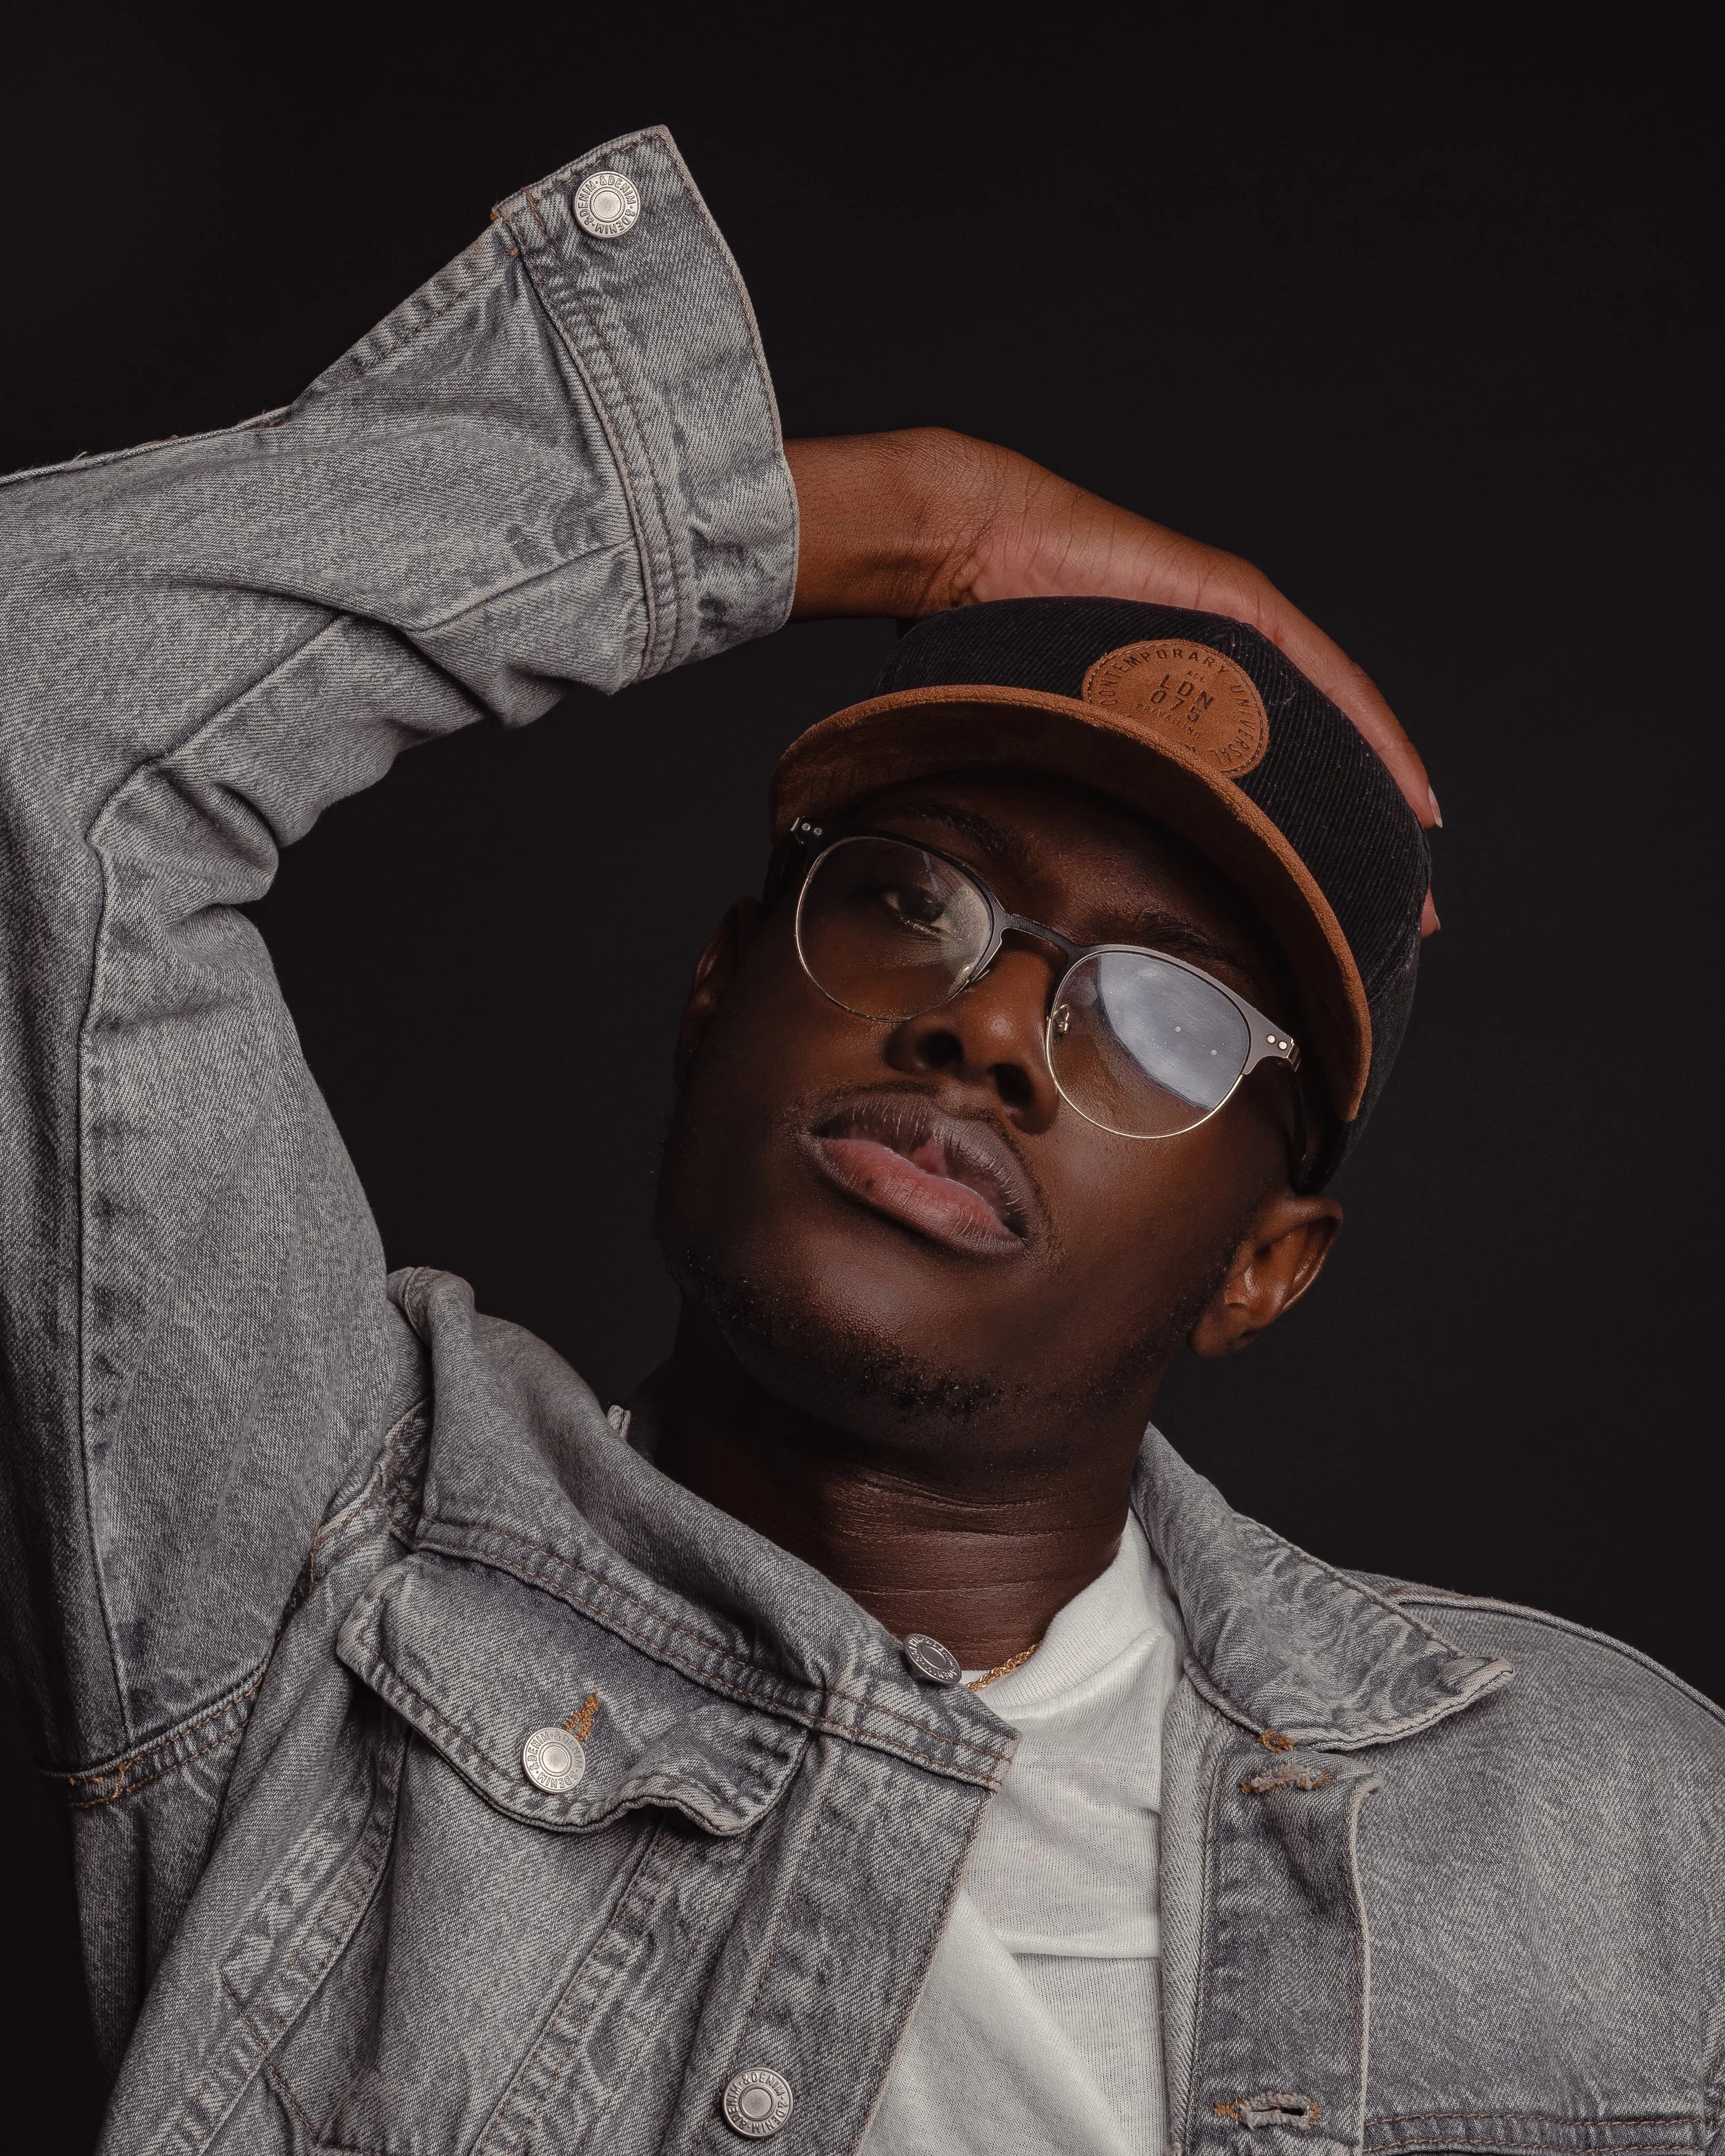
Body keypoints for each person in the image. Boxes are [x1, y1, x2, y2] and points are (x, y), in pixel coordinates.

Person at [1, 126, 1718, 2156]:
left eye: (1167, 1017)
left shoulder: (1619, 1826)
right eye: (914, 901)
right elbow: (41, 697)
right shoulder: (320, 1572)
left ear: (1267, 1264)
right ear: (716, 990)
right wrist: (904, 525)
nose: (985, 1025)